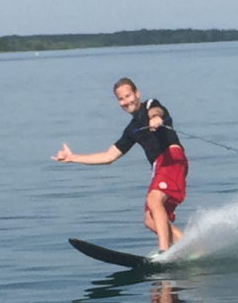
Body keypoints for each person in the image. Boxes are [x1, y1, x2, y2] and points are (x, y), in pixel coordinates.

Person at [52, 77, 189, 254]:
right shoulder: (131, 130)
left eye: (128, 96)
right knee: (150, 220)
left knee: (154, 200)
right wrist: (73, 158)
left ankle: (164, 251)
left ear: (137, 93)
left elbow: (156, 110)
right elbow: (108, 156)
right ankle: (191, 247)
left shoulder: (150, 105)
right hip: (158, 167)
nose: (126, 102)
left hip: (171, 159)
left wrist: (155, 117)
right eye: (121, 99)